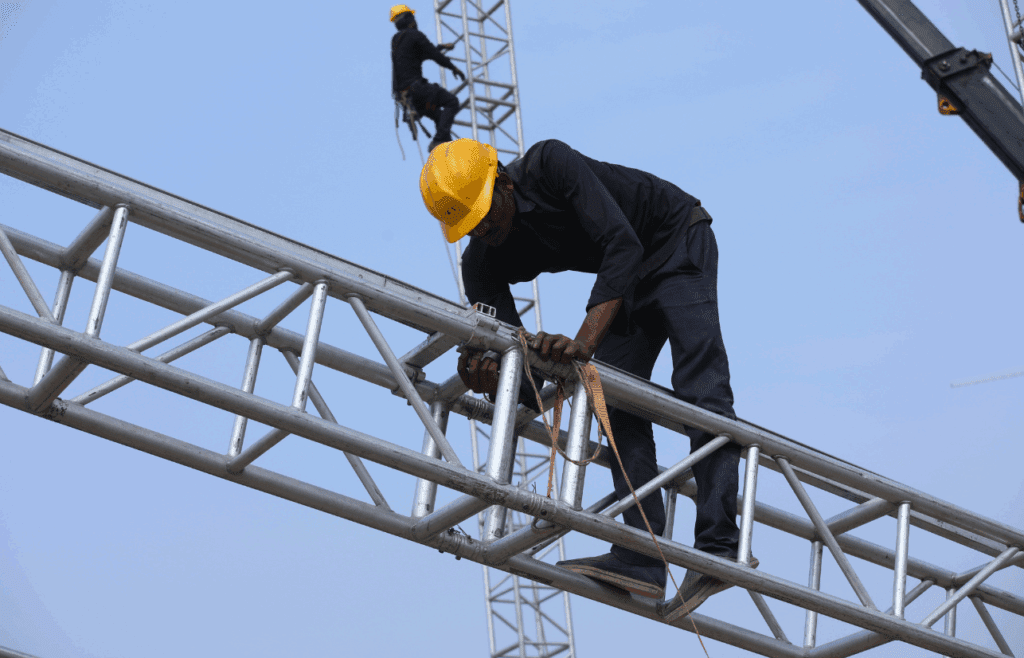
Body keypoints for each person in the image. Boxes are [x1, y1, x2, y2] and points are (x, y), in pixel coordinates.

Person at [418, 138, 757, 620]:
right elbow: (531, 391)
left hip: (675, 239)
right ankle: (643, 557)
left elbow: (623, 243)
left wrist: (582, 341)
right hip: (628, 279)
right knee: (614, 403)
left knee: (701, 389)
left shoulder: (550, 164)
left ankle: (718, 548)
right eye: (472, 226)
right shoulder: (482, 260)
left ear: (505, 183)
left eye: (487, 214)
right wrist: (494, 378)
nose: (486, 229)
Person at [390, 4, 466, 152]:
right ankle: (439, 141)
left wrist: (440, 47)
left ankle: (443, 147)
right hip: (418, 90)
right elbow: (432, 54)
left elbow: (417, 54)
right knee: (451, 102)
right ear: (409, 19)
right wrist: (453, 67)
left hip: (408, 97)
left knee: (439, 116)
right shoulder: (415, 35)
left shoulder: (396, 41)